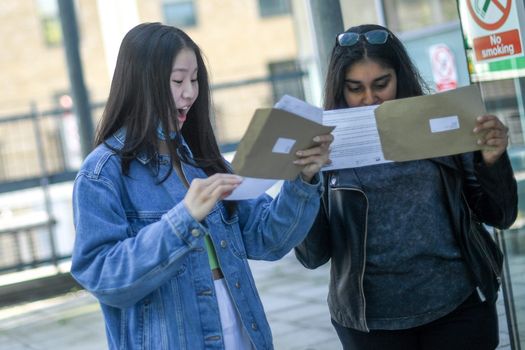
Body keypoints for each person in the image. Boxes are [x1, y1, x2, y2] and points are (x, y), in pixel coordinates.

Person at [70, 22, 333, 350]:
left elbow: (269, 239)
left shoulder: (203, 161)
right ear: (141, 84)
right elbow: (103, 277)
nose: (190, 92)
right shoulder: (102, 174)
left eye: (195, 80)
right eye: (178, 80)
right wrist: (182, 220)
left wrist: (303, 179)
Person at [295, 23, 517, 350]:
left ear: (401, 76)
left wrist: (493, 161)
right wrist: (303, 183)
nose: (369, 98)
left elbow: (500, 215)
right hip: (371, 323)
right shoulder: (321, 145)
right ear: (339, 88)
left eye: (381, 84)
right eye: (355, 87)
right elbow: (313, 255)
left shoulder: (442, 123)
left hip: (459, 306)